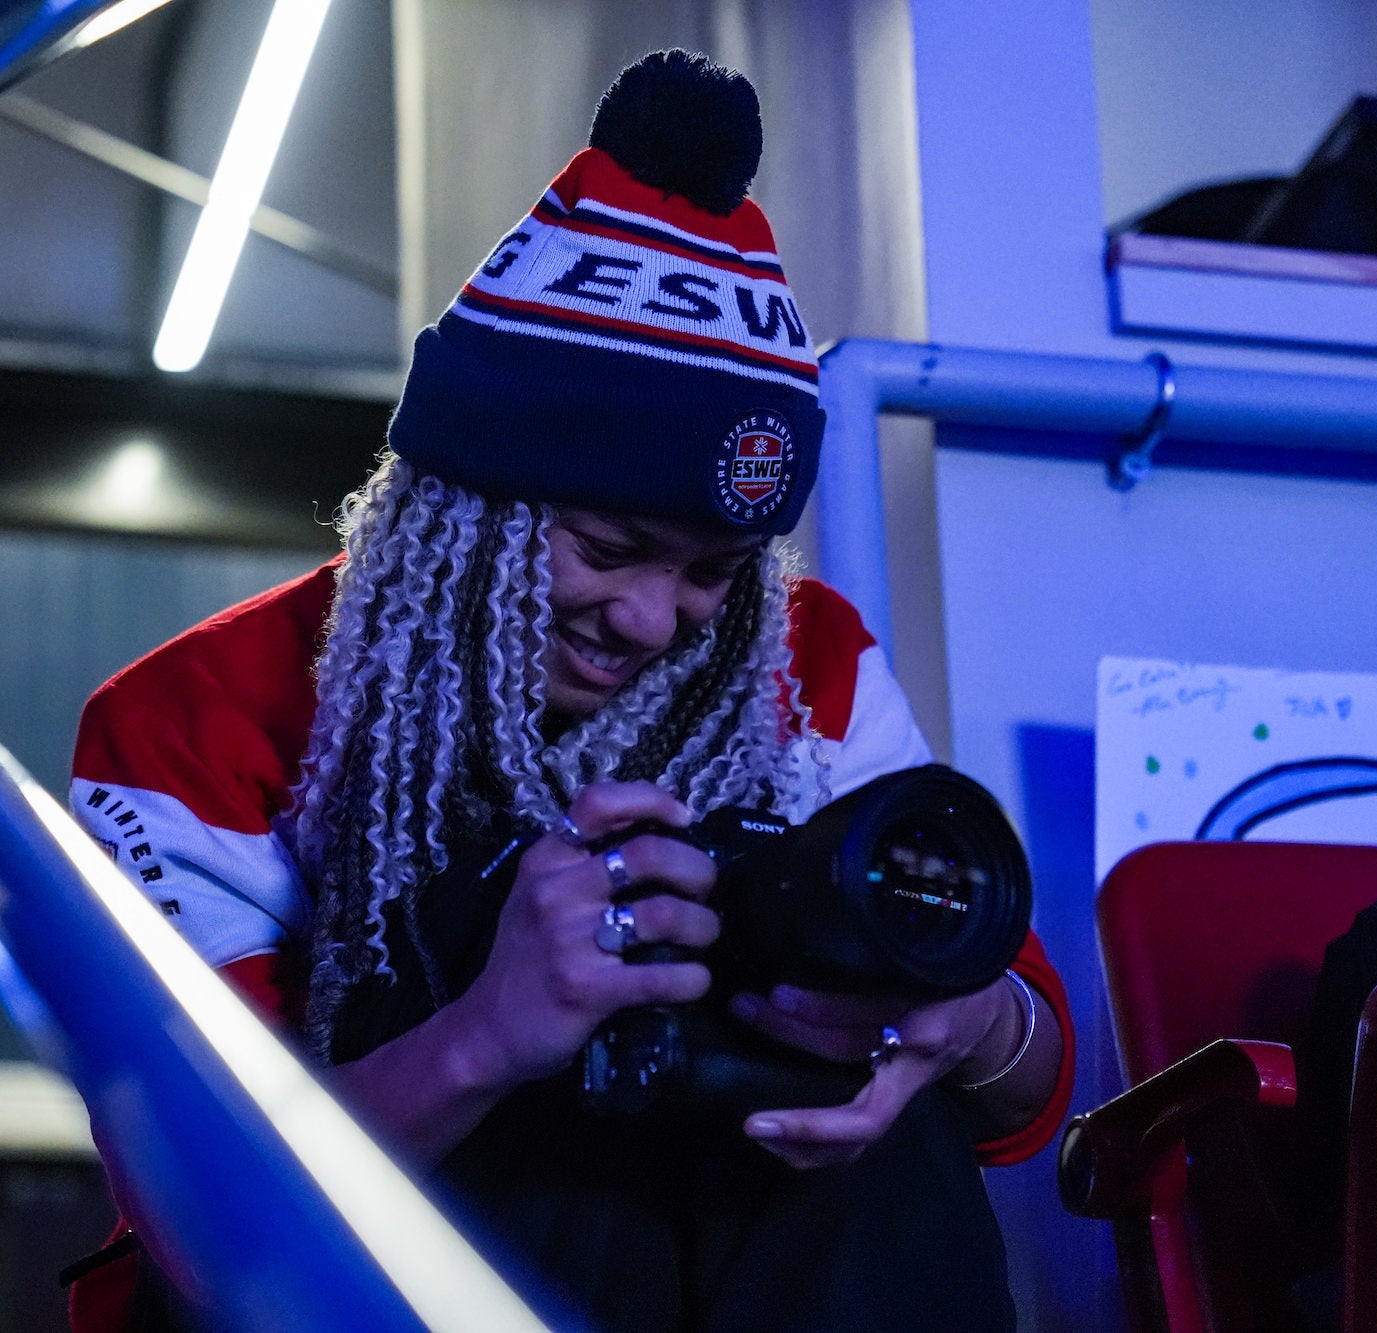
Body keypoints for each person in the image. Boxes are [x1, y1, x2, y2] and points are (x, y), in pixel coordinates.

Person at [66, 50, 1073, 1333]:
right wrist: (488, 1034)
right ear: (464, 509)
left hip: (755, 1264)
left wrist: (959, 1025)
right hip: (348, 1283)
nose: (653, 619)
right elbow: (202, 1219)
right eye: (603, 549)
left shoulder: (805, 657)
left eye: (712, 570)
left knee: (870, 1143)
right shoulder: (191, 718)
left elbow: (1036, 1075)